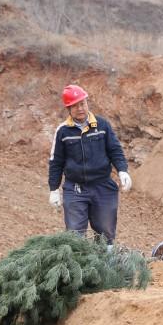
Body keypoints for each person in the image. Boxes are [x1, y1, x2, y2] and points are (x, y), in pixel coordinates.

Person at [48, 84, 132, 246]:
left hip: (103, 186)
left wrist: (122, 170)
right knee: (74, 234)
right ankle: (78, 267)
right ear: (68, 109)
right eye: (75, 105)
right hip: (75, 188)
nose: (80, 108)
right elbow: (56, 162)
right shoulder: (63, 132)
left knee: (106, 230)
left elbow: (115, 150)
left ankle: (106, 261)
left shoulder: (102, 126)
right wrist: (54, 189)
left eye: (83, 103)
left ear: (87, 103)